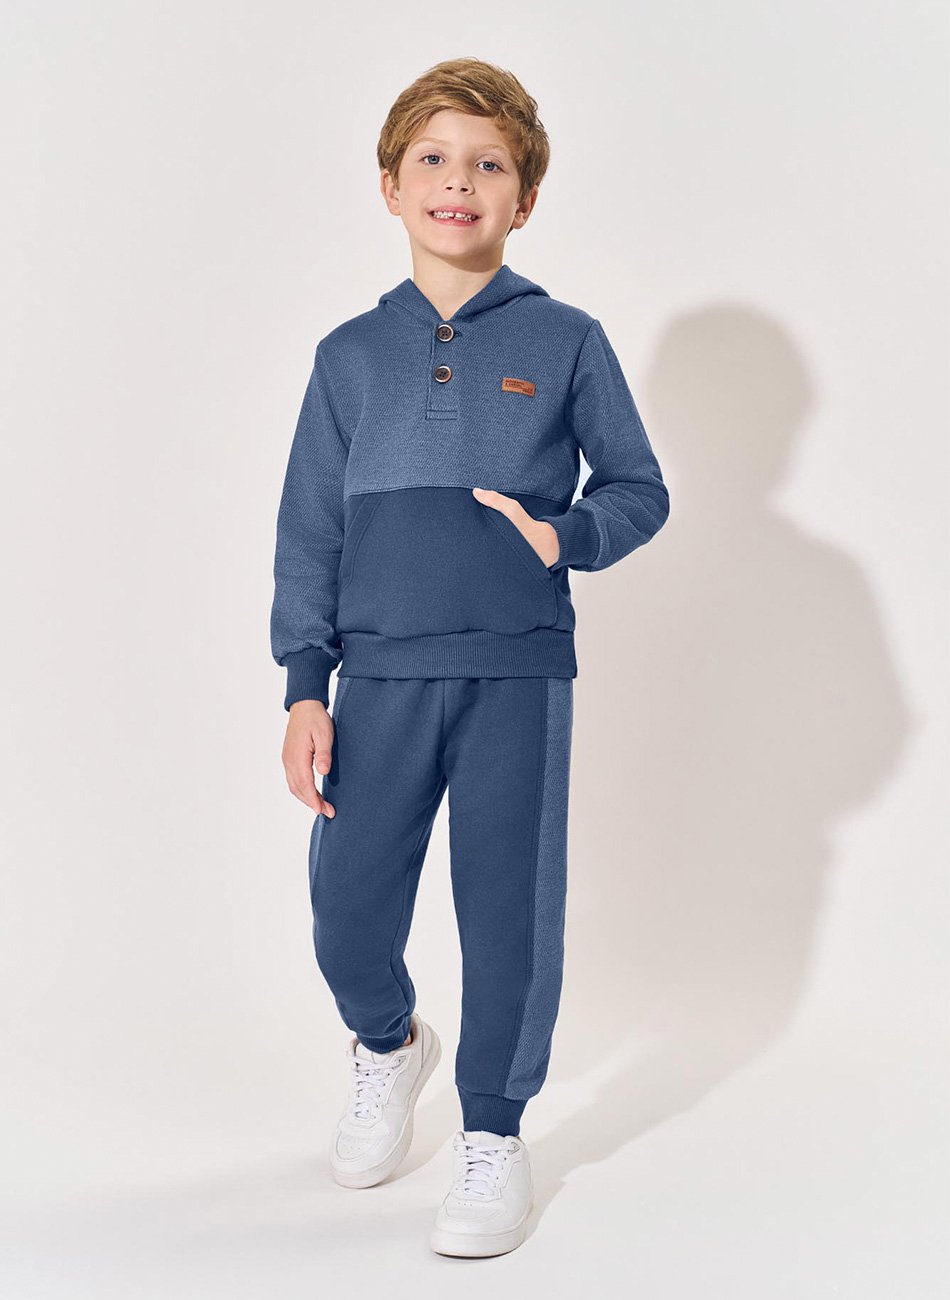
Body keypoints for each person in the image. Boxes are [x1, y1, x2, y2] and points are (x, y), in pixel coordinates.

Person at [270, 56, 670, 1258]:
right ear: (390, 186)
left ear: (522, 197)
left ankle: (492, 1129)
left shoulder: (566, 339)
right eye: (433, 160)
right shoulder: (348, 356)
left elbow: (638, 488)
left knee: (507, 915)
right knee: (346, 912)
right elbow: (309, 531)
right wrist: (304, 685)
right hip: (377, 677)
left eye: (487, 164)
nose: (458, 182)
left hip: (516, 670)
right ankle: (388, 1044)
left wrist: (565, 535)